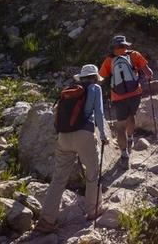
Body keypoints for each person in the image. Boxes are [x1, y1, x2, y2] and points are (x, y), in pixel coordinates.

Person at [36, 64, 110, 233]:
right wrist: (104, 136)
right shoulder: (94, 88)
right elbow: (98, 113)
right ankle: (93, 210)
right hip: (84, 134)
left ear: (82, 77)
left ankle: (46, 220)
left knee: (59, 178)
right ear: (95, 77)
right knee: (92, 174)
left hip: (63, 136)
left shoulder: (70, 89)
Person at [98, 35, 153, 168]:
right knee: (131, 116)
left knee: (120, 126)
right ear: (125, 45)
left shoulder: (109, 60)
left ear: (113, 47)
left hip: (118, 96)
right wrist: (145, 76)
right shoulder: (134, 55)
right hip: (135, 93)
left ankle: (124, 153)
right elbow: (149, 73)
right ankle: (130, 139)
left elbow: (101, 77)